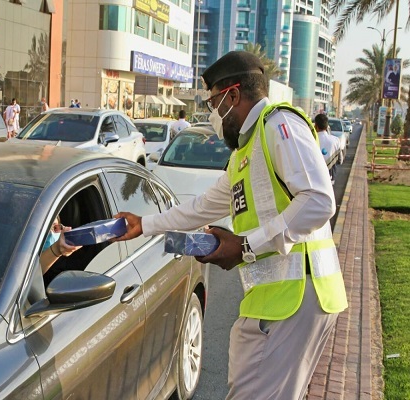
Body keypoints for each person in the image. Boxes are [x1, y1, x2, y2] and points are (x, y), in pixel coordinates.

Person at [114, 51, 347, 399]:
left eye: (213, 102)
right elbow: (202, 207)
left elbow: (318, 201)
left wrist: (245, 245)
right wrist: (143, 224)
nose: (211, 114)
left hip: (295, 301)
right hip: (282, 303)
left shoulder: (278, 125)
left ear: (233, 95)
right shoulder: (244, 153)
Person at [314, 113, 341, 185]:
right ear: (327, 127)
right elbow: (340, 160)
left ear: (315, 126)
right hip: (330, 178)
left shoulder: (311, 141)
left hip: (314, 179)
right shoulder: (336, 140)